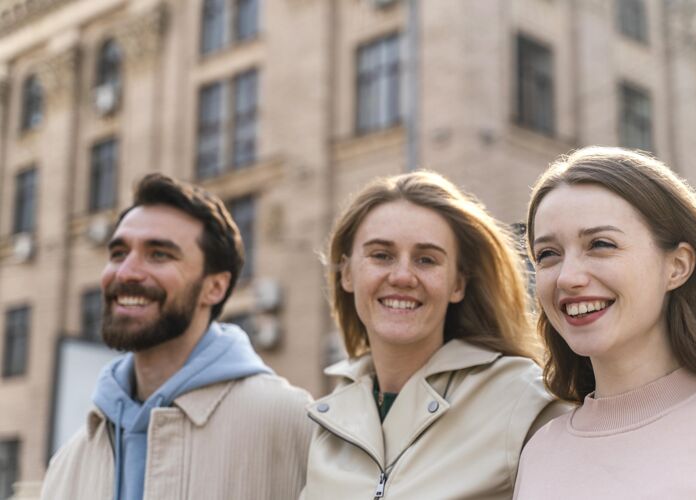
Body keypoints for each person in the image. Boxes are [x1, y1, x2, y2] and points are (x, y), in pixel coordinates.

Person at [41, 174, 313, 500]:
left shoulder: (293, 423)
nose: (126, 271)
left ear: (215, 287)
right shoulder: (70, 462)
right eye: (118, 253)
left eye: (159, 254)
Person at [302, 171, 566, 499]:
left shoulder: (524, 398)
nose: (402, 276)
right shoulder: (324, 422)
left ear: (458, 283)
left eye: (426, 259)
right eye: (381, 255)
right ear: (347, 274)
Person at [514, 147, 696, 499]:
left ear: (678, 265)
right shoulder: (540, 452)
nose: (568, 277)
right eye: (548, 254)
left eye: (600, 244)